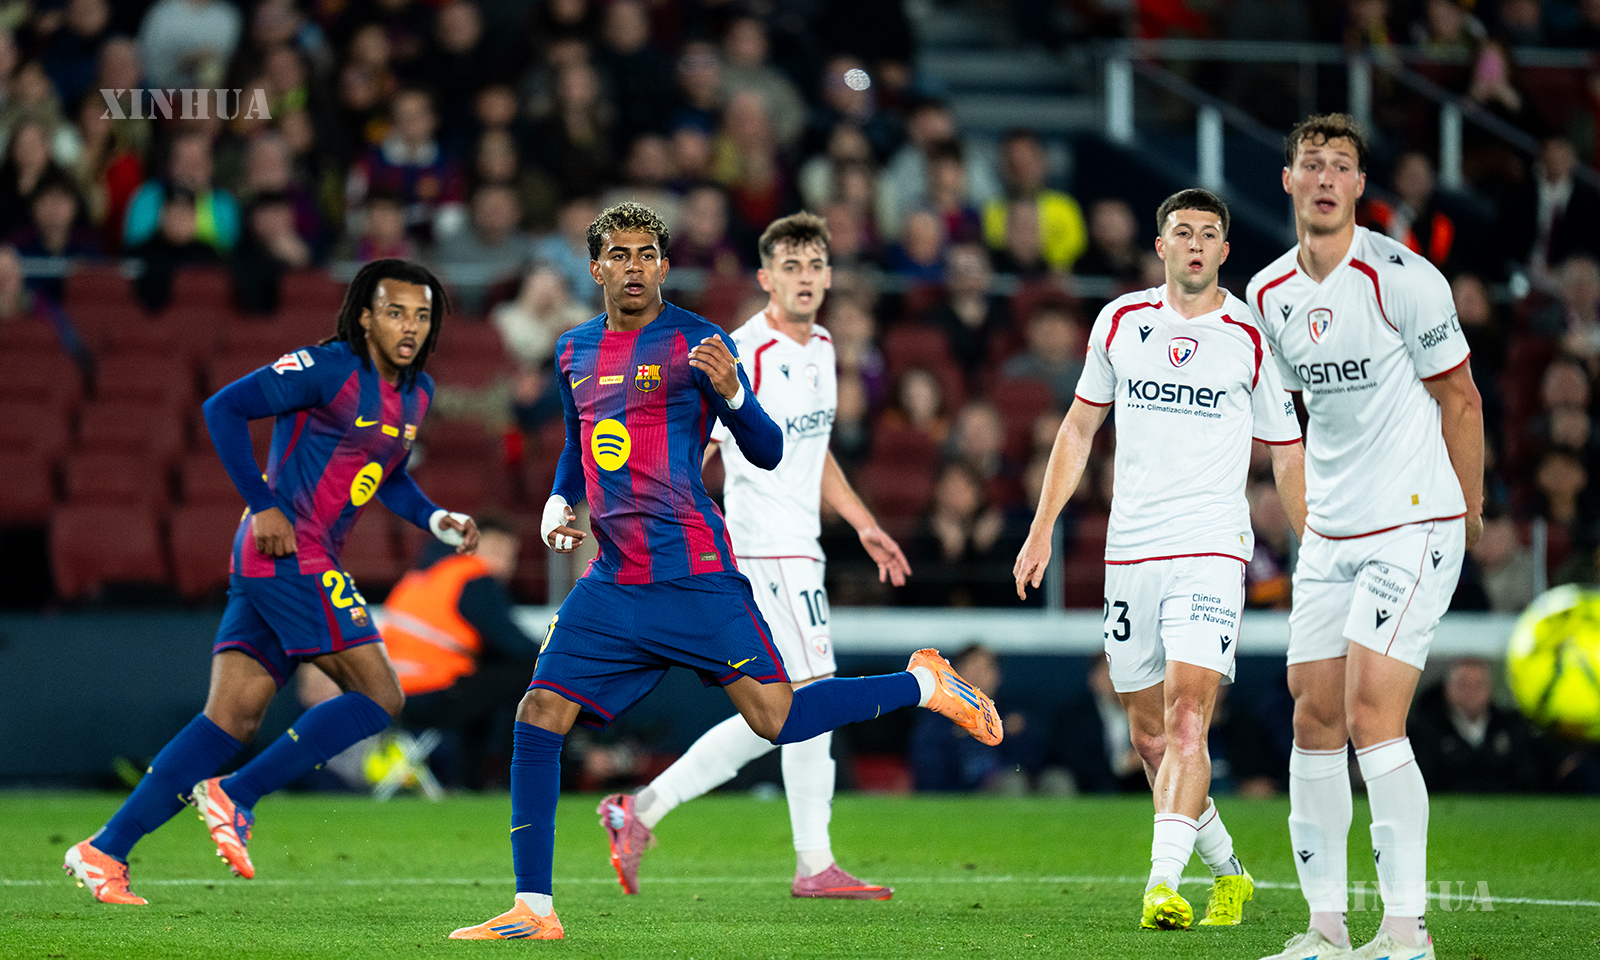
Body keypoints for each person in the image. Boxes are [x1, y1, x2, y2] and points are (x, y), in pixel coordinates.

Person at [448, 202, 1001, 941]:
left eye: (648, 254)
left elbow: (769, 452)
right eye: (620, 254)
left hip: (695, 574)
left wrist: (736, 395)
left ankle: (924, 685)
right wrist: (557, 500)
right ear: (596, 267)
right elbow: (581, 441)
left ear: (664, 266)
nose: (635, 266)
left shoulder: (700, 342)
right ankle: (534, 909)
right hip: (613, 580)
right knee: (538, 714)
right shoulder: (574, 349)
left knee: (778, 718)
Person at [63, 260, 481, 905]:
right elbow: (224, 407)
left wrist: (433, 517)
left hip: (292, 558)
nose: (410, 327)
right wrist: (263, 503)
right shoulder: (327, 368)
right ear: (365, 317)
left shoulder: (416, 393)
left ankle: (104, 850)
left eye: (422, 316)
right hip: (290, 552)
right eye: (395, 312)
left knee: (229, 719)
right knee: (380, 694)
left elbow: (387, 471)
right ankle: (238, 793)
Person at [1015, 187, 1307, 931]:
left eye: (1209, 233)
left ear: (1225, 250)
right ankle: (1231, 872)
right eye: (1183, 231)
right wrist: (1043, 527)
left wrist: (1313, 549)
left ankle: (1160, 886)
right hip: (1131, 552)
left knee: (1186, 721)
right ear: (1161, 245)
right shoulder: (1120, 321)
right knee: (1150, 739)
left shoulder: (1250, 335)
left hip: (1211, 548)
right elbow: (1078, 430)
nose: (1196, 244)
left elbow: (1287, 450)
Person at [609, 211, 913, 900]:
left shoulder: (824, 346)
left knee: (785, 707)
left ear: (829, 277)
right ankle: (813, 864)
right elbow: (695, 446)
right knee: (812, 699)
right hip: (761, 549)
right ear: (766, 277)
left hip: (801, 547)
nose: (805, 278)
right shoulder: (740, 352)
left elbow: (814, 450)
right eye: (790, 266)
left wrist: (863, 523)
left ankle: (641, 810)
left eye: (815, 266)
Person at [1246, 113, 1484, 960]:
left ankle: (1407, 932)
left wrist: (1469, 508)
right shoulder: (1267, 294)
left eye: (1339, 165)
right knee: (1313, 717)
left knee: (1371, 713)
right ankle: (1324, 930)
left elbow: (1461, 397)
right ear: (1288, 180)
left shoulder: (1402, 278)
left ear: (1358, 186)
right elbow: (1289, 426)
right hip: (1332, 533)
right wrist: (1308, 524)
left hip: (1413, 521)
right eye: (1310, 163)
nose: (1323, 177)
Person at [382, 515, 540, 789]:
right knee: (536, 675)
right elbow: (514, 643)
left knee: (486, 686)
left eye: (510, 555)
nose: (503, 563)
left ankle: (472, 782)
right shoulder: (472, 577)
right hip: (431, 690)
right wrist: (560, 659)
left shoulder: (423, 575)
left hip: (395, 693)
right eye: (496, 550)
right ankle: (519, 780)